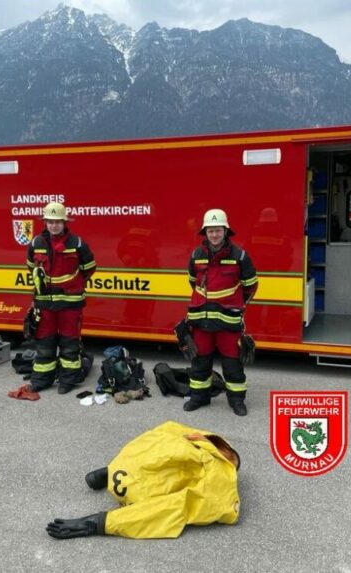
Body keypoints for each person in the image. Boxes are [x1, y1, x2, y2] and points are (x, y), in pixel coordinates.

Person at [46, 420, 240, 539]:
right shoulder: (219, 476)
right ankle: (113, 474)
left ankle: (109, 473)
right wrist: (101, 523)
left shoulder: (201, 439)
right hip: (133, 489)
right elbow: (170, 509)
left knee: (163, 446)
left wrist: (100, 522)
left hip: (122, 467)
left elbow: (158, 433)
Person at [183, 208, 258, 416]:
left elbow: (251, 285)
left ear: (226, 231)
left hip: (228, 323)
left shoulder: (239, 256)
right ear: (204, 233)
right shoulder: (196, 256)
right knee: (200, 362)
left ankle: (236, 401)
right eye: (210, 231)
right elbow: (193, 282)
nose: (214, 235)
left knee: (232, 364)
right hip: (201, 322)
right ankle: (199, 397)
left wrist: (237, 306)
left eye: (218, 230)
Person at [26, 201, 96, 394]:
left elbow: (89, 268)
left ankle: (68, 381)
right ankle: (42, 380)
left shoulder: (77, 243)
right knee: (44, 342)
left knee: (69, 343)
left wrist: (73, 285)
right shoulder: (36, 244)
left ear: (64, 222)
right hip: (45, 303)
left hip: (70, 303)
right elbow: (32, 268)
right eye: (50, 221)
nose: (54, 225)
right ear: (45, 222)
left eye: (57, 221)